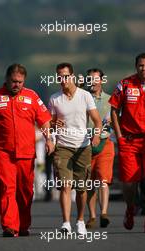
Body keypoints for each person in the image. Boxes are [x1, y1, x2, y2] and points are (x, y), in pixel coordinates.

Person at [0, 64, 54, 237]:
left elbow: (44, 120)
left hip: (26, 152)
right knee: (8, 188)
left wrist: (49, 139)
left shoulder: (32, 97)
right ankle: (9, 226)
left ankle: (23, 224)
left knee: (25, 191)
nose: (17, 85)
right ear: (6, 79)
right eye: (14, 81)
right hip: (3, 152)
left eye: (20, 82)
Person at [109, 53, 145, 233]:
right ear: (136, 66)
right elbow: (114, 111)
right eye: (140, 65)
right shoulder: (124, 84)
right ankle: (130, 209)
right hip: (129, 141)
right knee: (130, 182)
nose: (143, 69)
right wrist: (119, 137)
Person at [48, 62, 102, 235]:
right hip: (63, 146)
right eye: (59, 77)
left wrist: (96, 134)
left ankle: (79, 220)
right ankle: (65, 223)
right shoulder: (54, 98)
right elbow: (49, 124)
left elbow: (97, 121)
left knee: (81, 188)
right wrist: (53, 126)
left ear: (72, 76)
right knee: (65, 185)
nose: (62, 80)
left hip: (83, 146)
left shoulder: (85, 96)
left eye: (65, 76)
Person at [85, 68, 115, 229]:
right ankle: (92, 216)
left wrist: (112, 120)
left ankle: (104, 213)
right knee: (89, 183)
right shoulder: (81, 98)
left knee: (103, 180)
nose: (93, 82)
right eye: (90, 79)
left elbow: (117, 118)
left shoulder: (110, 99)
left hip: (105, 143)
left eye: (96, 79)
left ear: (102, 81)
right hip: (85, 144)